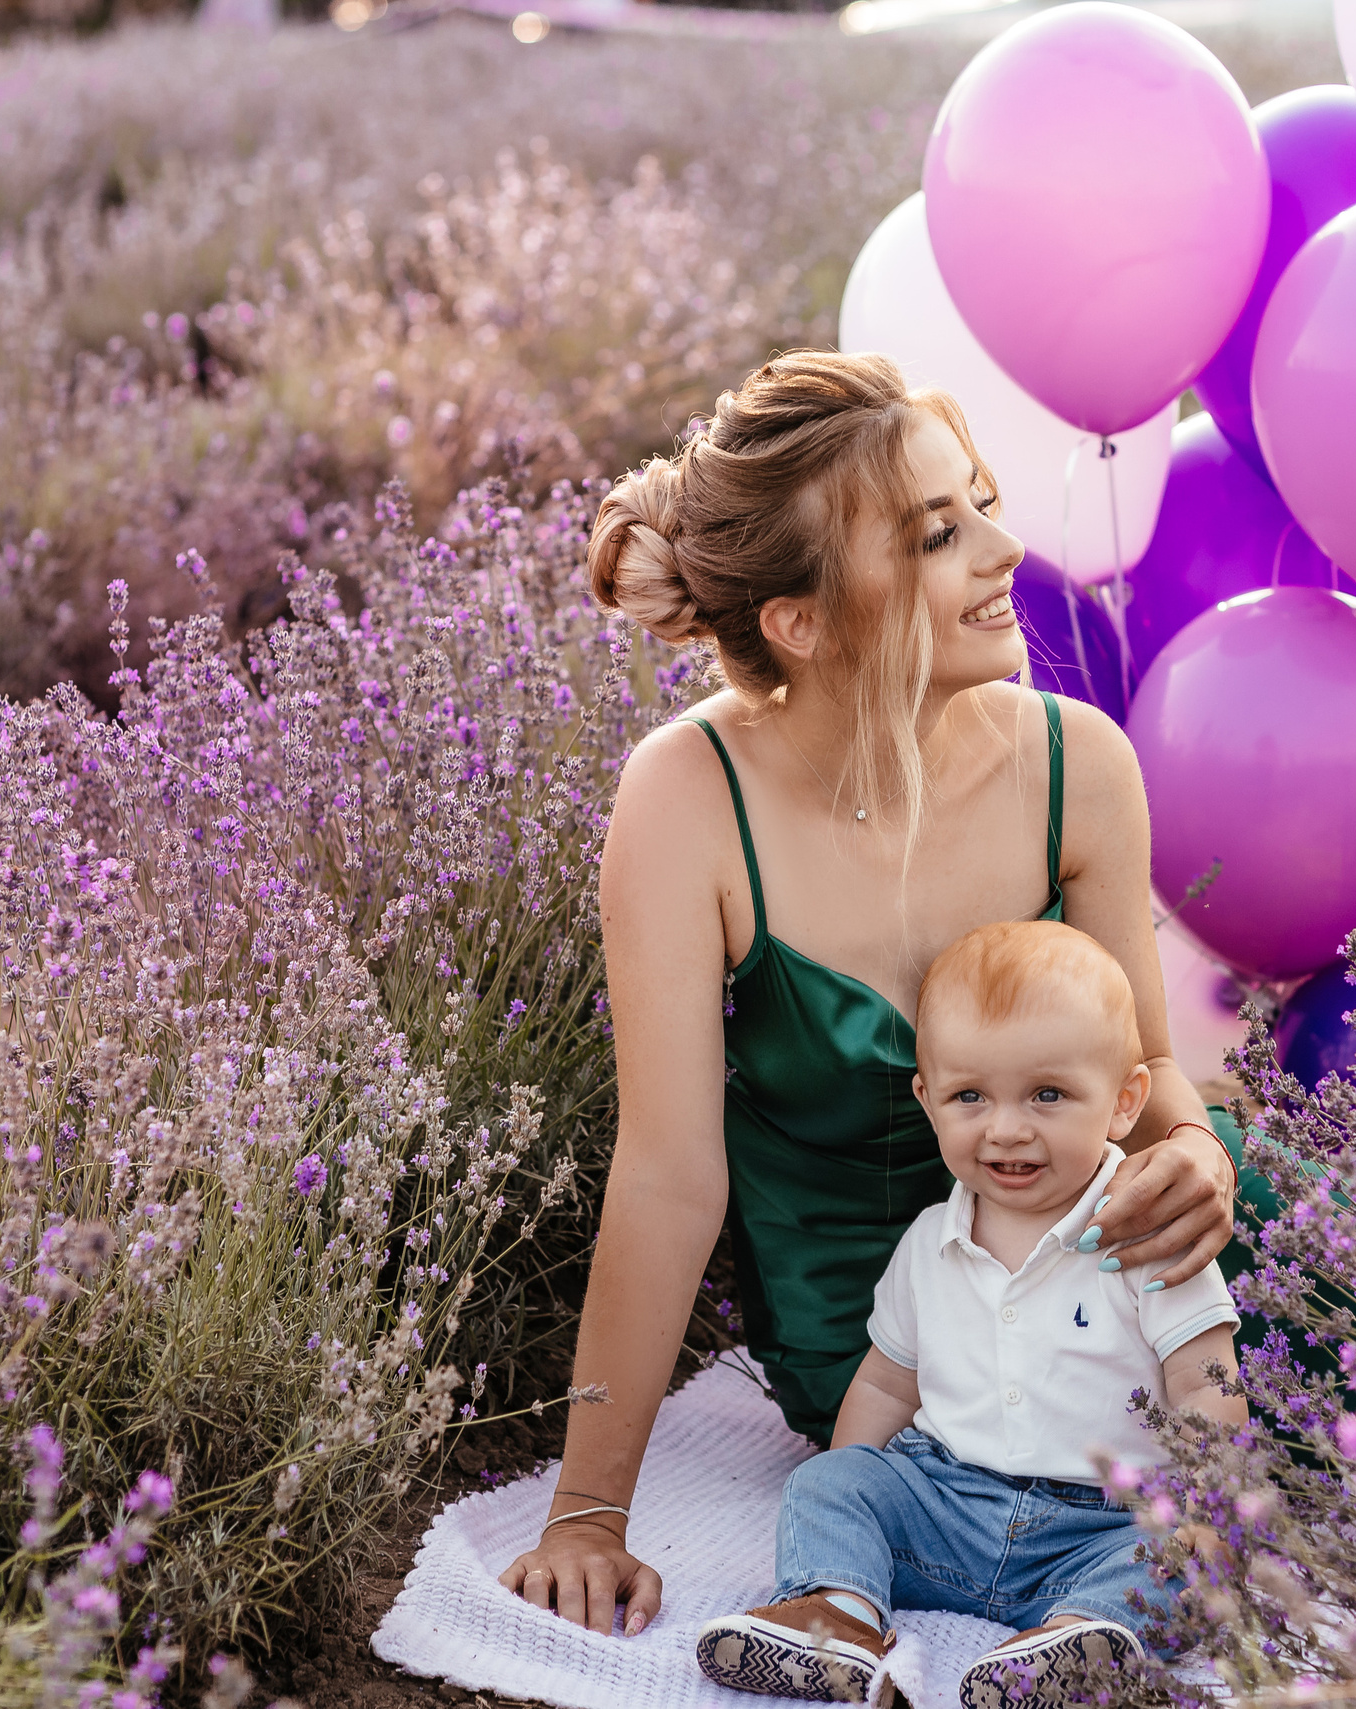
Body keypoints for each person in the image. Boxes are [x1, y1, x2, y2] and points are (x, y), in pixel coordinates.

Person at [496, 350, 1276, 1641]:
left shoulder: (1080, 761)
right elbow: (668, 1176)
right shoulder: (687, 798)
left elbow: (1147, 1072)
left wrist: (1192, 1148)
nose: (1006, 550)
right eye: (937, 534)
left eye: (983, 503)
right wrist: (586, 1513)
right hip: (884, 1338)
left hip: (1118, 1265)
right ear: (802, 622)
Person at [694, 920, 1245, 1709]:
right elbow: (886, 1384)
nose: (1006, 1128)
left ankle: (1077, 1639)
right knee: (829, 1481)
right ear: (928, 1100)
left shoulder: (1146, 1232)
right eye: (970, 1096)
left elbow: (1205, 1382)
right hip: (946, 1507)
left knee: (1176, 1559)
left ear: (1125, 1101)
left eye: (1047, 1094)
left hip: (1102, 1522)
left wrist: (1208, 1512)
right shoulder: (929, 1242)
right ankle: (838, 1612)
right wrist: (860, 1493)